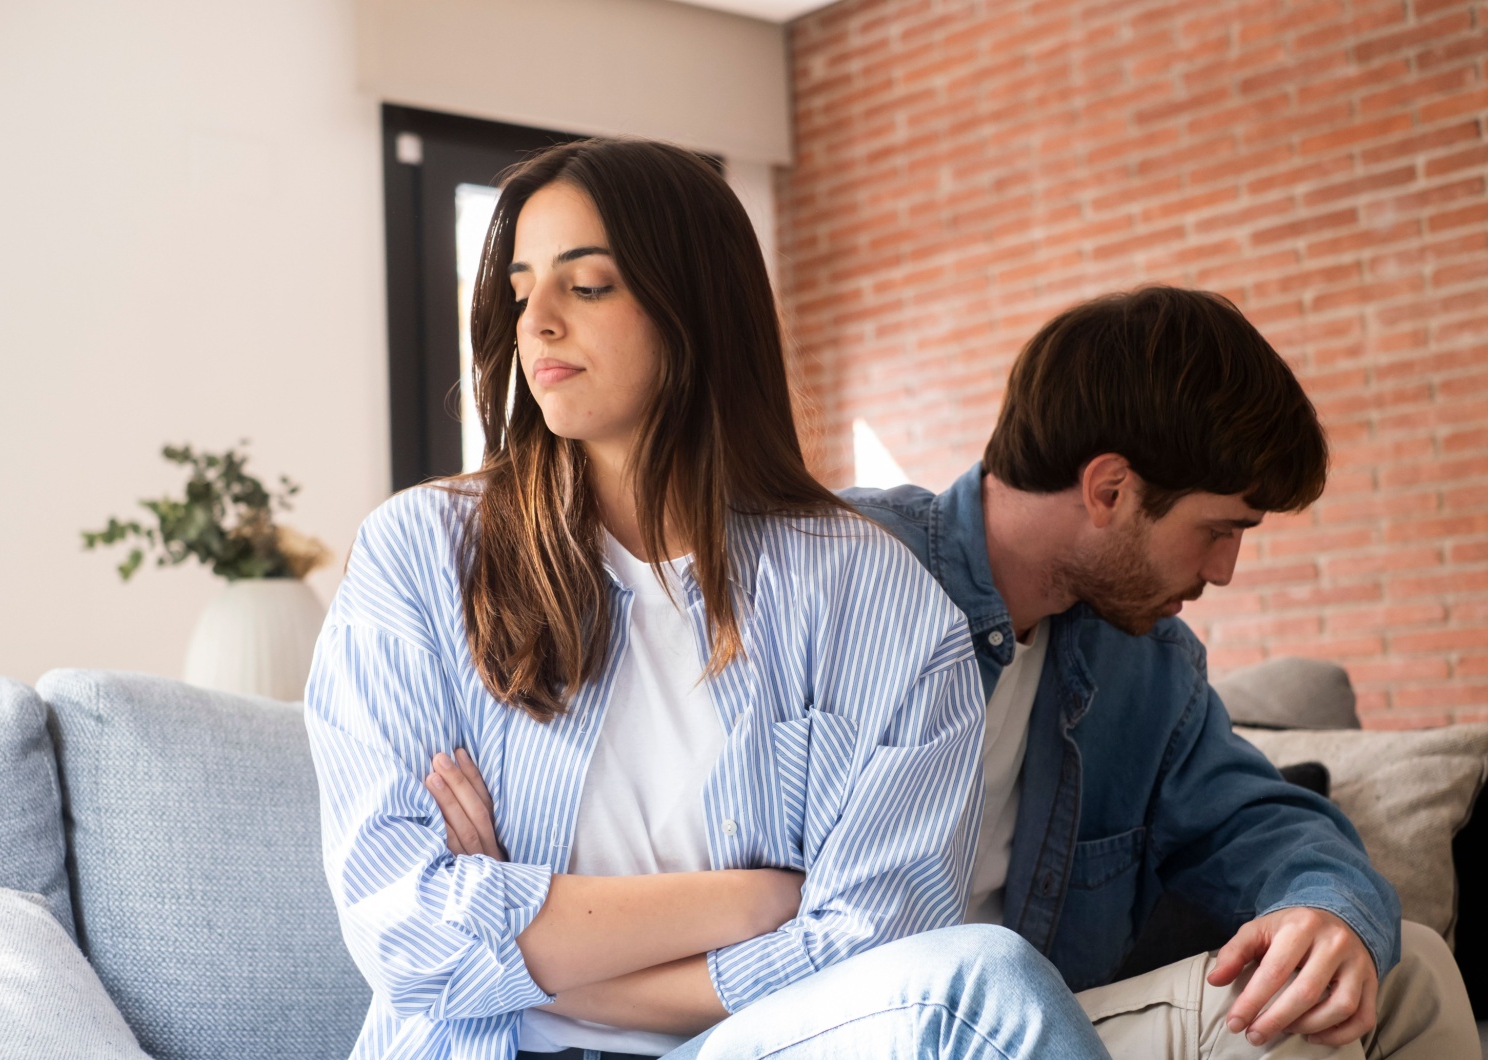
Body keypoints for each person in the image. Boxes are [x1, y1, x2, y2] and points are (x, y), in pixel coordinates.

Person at [305, 138, 1111, 1060]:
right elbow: (405, 934)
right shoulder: (420, 554)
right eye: (524, 289)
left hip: (757, 1048)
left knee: (983, 986)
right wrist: (757, 898)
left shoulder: (868, 590)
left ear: (695, 308)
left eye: (589, 284)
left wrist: (539, 951)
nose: (537, 323)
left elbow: (873, 943)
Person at [841, 287, 1481, 1059]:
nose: (1226, 570)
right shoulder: (848, 573)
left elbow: (1257, 822)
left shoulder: (1143, 663)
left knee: (1415, 966)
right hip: (873, 1026)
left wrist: (1333, 911)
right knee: (1281, 1028)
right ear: (1110, 489)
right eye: (1218, 530)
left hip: (1042, 1027)